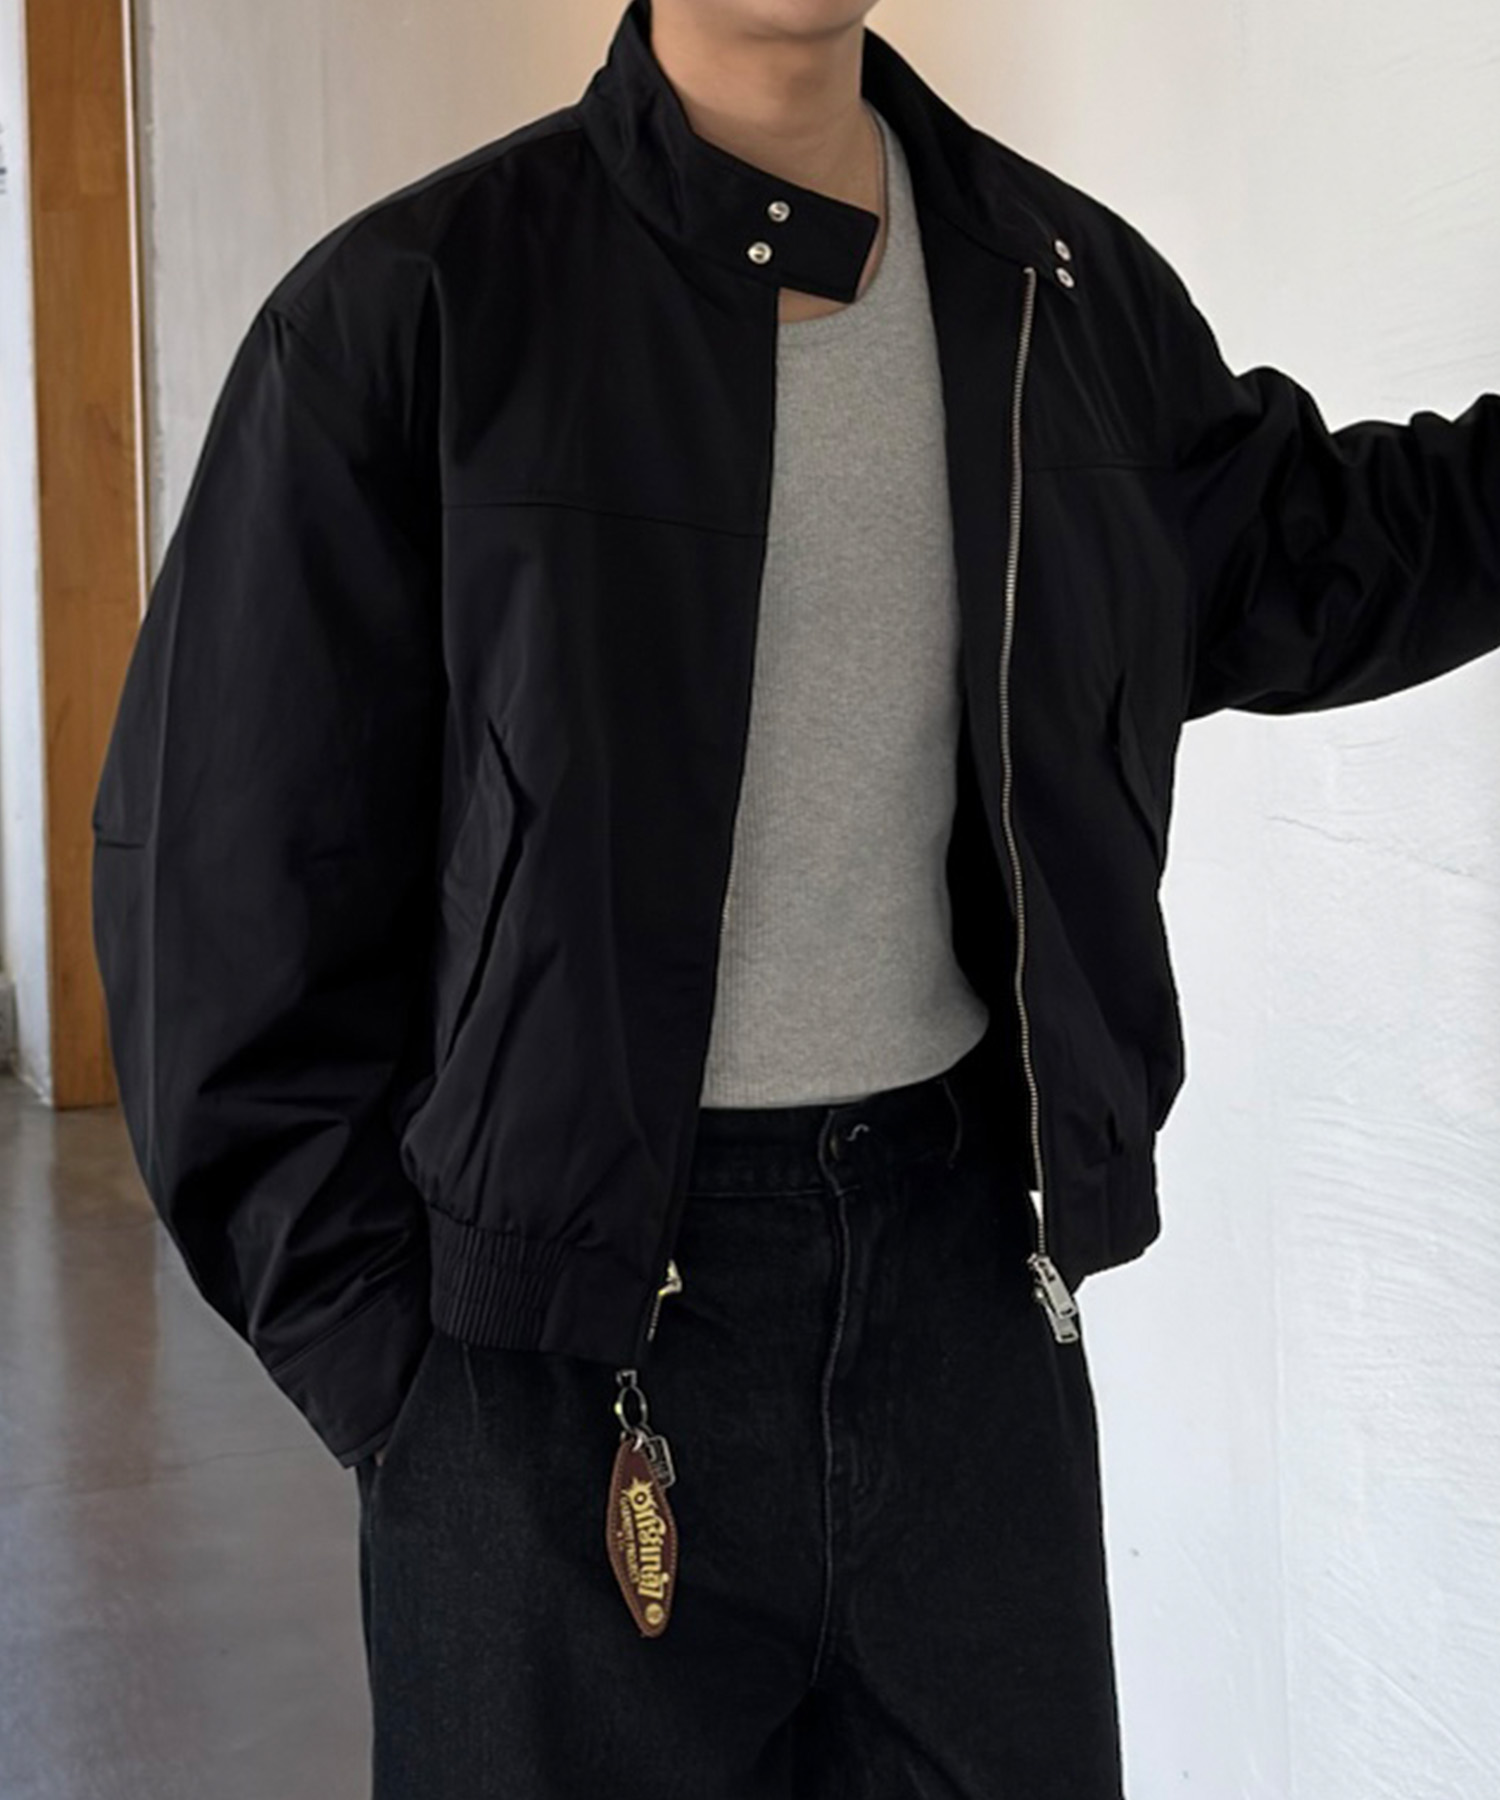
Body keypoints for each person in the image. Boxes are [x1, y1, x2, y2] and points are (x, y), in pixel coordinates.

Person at [89, 1, 1500, 1794]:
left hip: (964, 1301)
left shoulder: (1051, 289)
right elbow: (219, 881)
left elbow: (1301, 558)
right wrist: (400, 1383)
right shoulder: (415, 309)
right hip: (549, 1350)